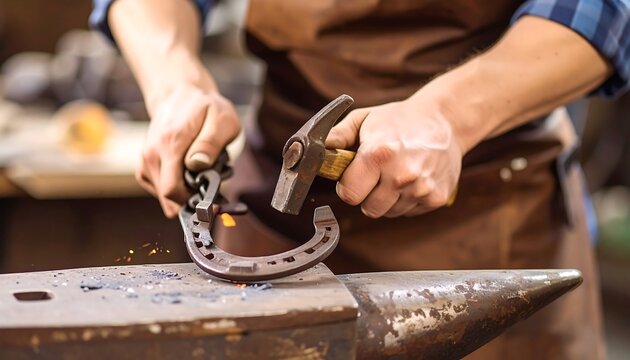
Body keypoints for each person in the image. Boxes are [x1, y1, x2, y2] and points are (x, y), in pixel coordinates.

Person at [91, 0, 630, 358]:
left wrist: (449, 114)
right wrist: (174, 83)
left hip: (490, 208)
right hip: (276, 209)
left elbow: (603, 12)